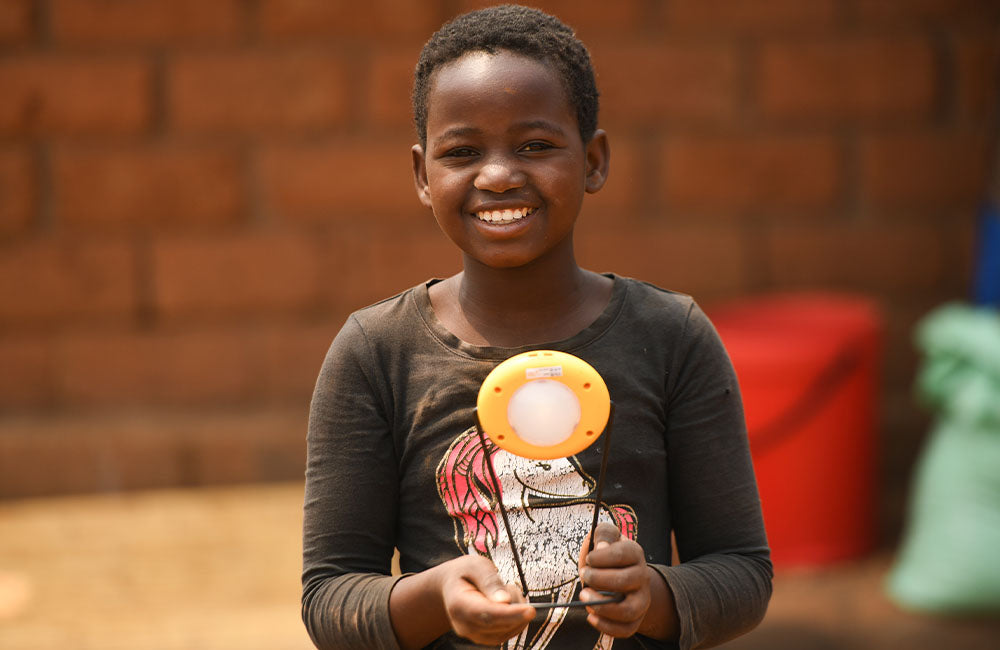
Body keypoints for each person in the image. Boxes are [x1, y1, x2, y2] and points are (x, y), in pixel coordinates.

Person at [301, 5, 772, 649]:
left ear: (594, 161)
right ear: (422, 175)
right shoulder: (376, 353)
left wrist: (653, 596)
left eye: (537, 146)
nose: (498, 175)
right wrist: (437, 596)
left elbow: (742, 572)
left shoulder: (672, 336)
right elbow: (329, 598)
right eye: (463, 152)